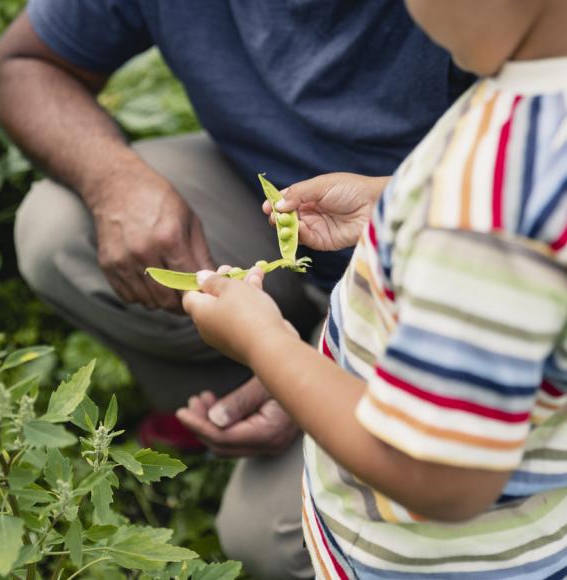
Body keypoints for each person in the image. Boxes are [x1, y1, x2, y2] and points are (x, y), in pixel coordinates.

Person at [0, 2, 474, 577]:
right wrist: (114, 181)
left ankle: (302, 406)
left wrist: (291, 369)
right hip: (353, 218)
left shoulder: (498, 40)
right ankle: (240, 407)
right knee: (56, 230)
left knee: (268, 538)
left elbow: (505, 235)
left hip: (445, 280)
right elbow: (19, 62)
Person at [181, 0, 567, 577]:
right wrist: (399, 208)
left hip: (434, 558)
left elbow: (436, 475)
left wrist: (264, 340)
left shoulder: (485, 203)